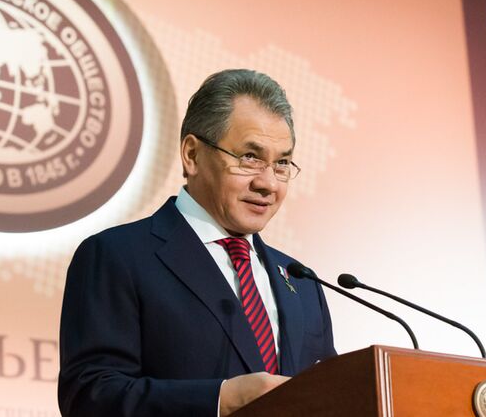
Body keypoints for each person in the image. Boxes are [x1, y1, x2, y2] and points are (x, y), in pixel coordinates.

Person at [58, 69, 337, 416]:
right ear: (192, 155)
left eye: (281, 163)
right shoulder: (117, 256)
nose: (268, 183)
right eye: (250, 157)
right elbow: (90, 396)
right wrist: (220, 399)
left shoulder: (302, 282)